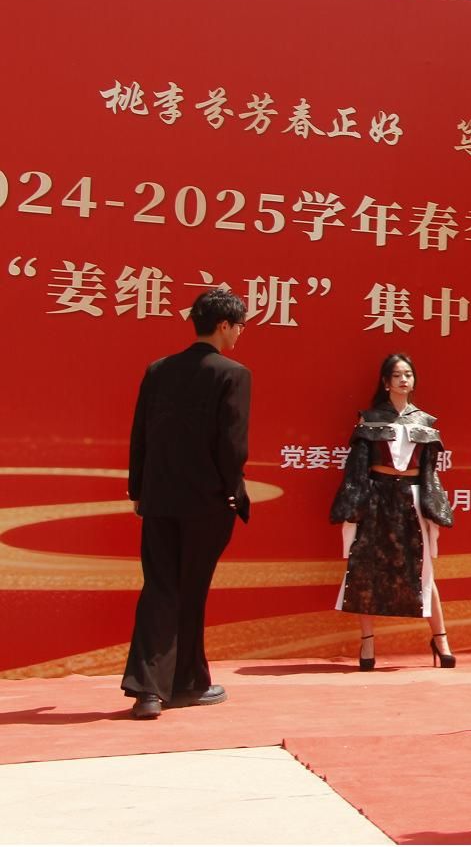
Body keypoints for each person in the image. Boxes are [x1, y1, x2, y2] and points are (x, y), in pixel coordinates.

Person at [122, 288, 251, 720]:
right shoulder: (233, 374)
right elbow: (232, 445)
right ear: (223, 325)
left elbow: (140, 435)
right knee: (191, 590)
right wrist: (234, 492)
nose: (240, 333)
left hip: (159, 499)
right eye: (239, 325)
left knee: (160, 588)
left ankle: (150, 690)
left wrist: (138, 491)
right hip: (207, 503)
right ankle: (185, 684)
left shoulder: (158, 370)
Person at [329, 354, 456, 670]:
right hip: (376, 498)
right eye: (397, 375)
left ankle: (441, 640)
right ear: (386, 382)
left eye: (408, 374)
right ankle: (367, 642)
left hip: (411, 498)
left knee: (423, 570)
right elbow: (356, 469)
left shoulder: (425, 422)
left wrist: (434, 508)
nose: (403, 380)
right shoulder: (370, 419)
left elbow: (430, 472)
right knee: (364, 571)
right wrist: (353, 505)